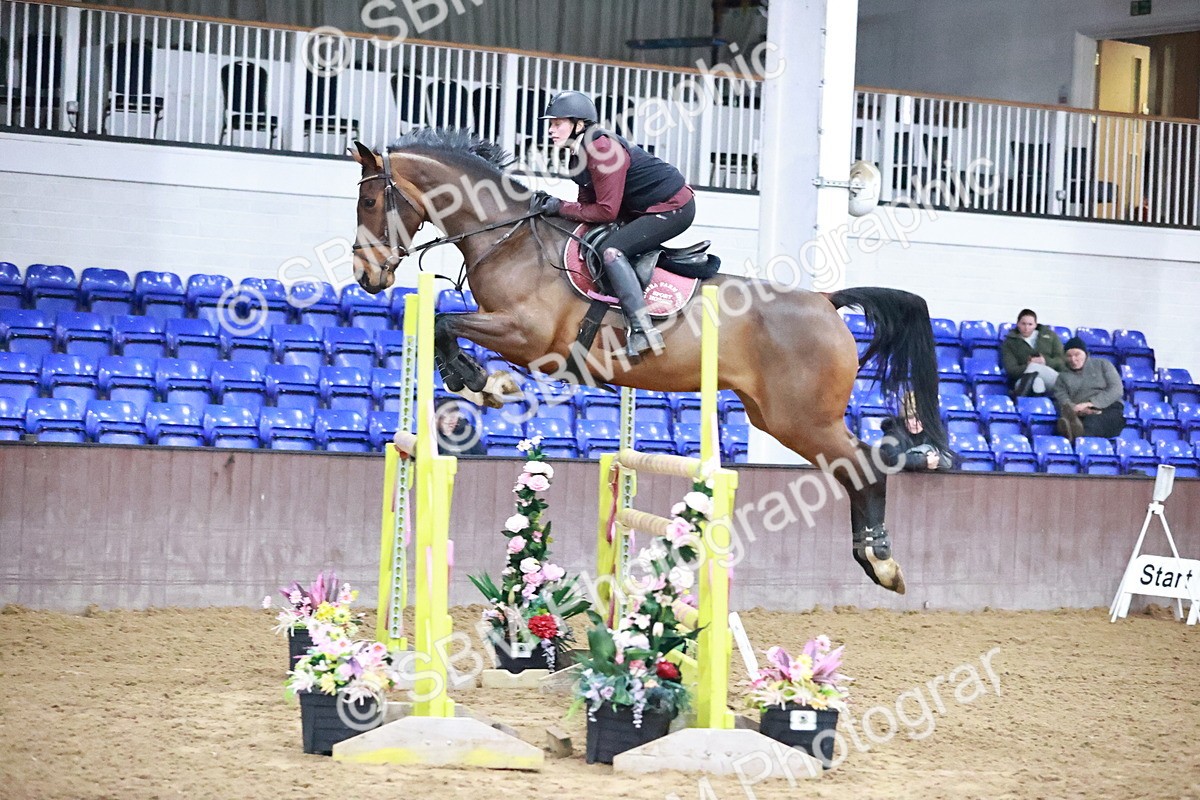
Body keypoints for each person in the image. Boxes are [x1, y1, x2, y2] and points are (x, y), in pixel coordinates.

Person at [529, 90, 696, 359]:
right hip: (641, 209)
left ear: (579, 124)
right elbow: (585, 204)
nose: (551, 129)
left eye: (557, 123)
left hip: (673, 207)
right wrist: (556, 210)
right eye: (551, 124)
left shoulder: (602, 148)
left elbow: (606, 211)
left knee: (612, 251)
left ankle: (643, 330)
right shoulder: (577, 155)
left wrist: (558, 206)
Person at [1053, 337, 1125, 440]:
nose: (1073, 359)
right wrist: (1077, 409)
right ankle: (1074, 429)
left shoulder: (1103, 364)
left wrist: (1091, 404)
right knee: (1068, 422)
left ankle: (1076, 435)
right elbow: (1062, 398)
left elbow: (1116, 389)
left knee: (1092, 423)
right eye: (1069, 356)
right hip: (1079, 412)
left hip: (1108, 408)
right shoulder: (1062, 377)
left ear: (1086, 354)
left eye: (1077, 354)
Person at [878, 395, 955, 471]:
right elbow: (891, 458)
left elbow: (947, 458)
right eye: (910, 418)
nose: (915, 423)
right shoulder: (892, 432)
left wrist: (937, 461)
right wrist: (924, 461)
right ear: (904, 417)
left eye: (920, 418)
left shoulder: (934, 433)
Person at [1000, 308, 1064, 397]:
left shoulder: (1050, 336)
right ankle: (1039, 407)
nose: (1026, 328)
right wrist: (1028, 365)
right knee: (1037, 383)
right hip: (1022, 379)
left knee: (1034, 367)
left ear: (1035, 325)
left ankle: (1017, 398)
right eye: (1023, 324)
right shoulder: (1009, 342)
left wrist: (1045, 361)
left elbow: (1062, 361)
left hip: (1054, 378)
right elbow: (1011, 370)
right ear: (1018, 324)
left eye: (1030, 324)